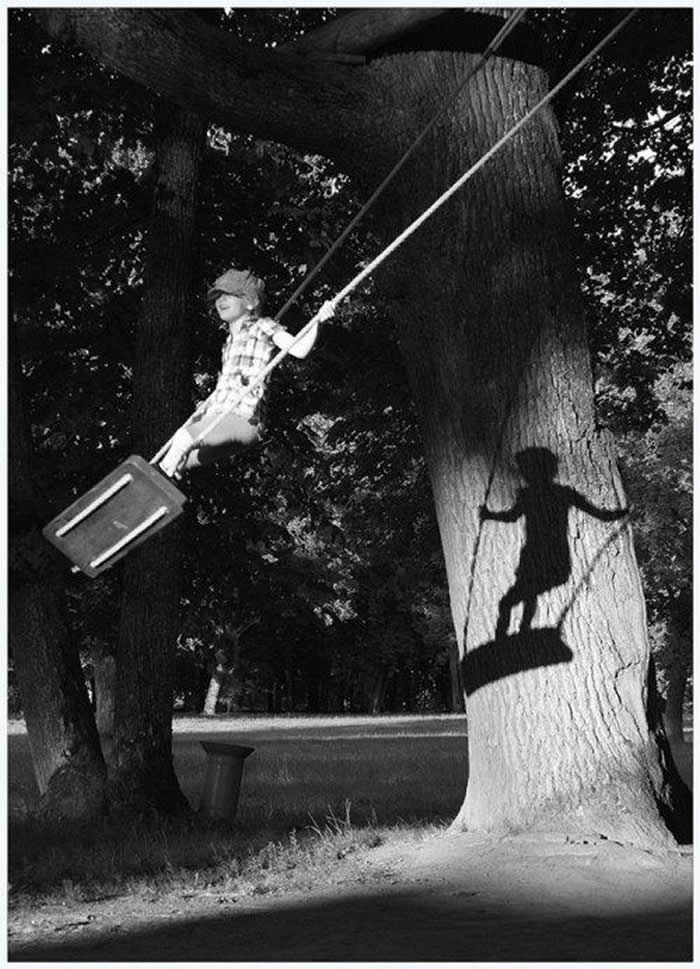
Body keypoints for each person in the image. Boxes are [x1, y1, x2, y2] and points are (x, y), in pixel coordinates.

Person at [159, 268, 335, 478]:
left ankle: (155, 479)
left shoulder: (262, 325)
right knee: (181, 462)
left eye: (230, 295)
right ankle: (154, 492)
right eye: (218, 296)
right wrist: (202, 415)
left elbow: (299, 349)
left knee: (182, 439)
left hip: (242, 420)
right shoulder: (229, 343)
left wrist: (317, 321)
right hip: (224, 420)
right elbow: (224, 388)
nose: (221, 301)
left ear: (250, 302)